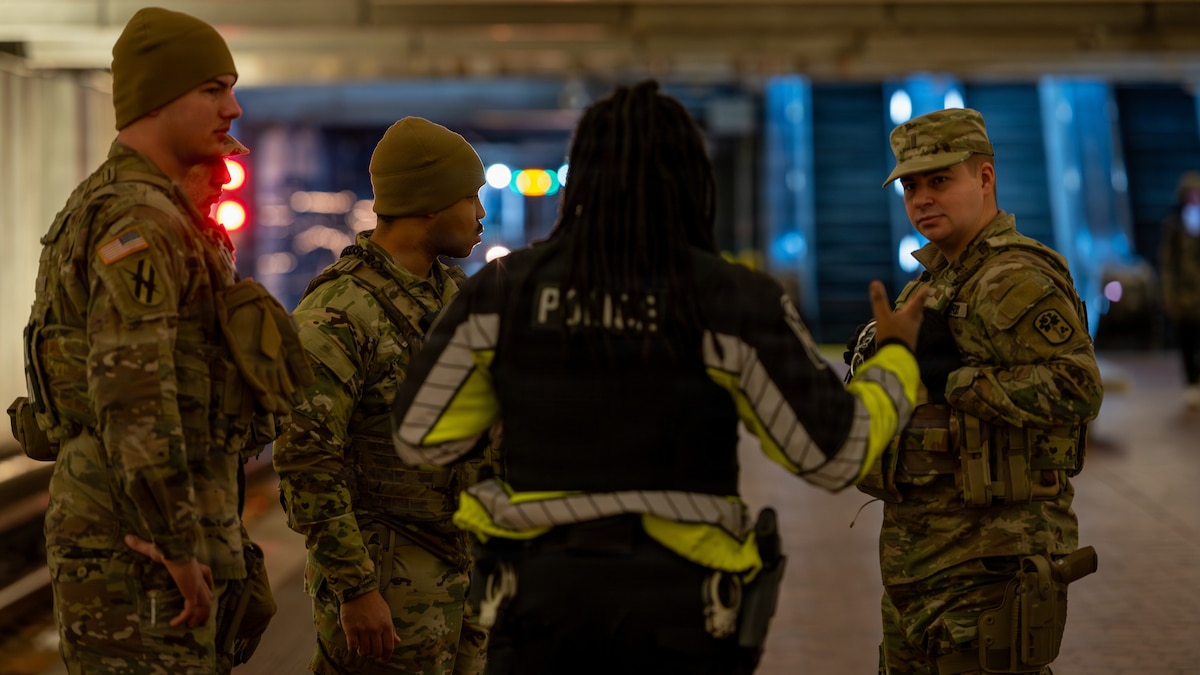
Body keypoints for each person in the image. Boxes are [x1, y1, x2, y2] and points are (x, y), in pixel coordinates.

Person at [389, 80, 930, 675]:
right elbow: (835, 454)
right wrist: (897, 361)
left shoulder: (503, 293)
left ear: (583, 180)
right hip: (685, 616)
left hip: (538, 606)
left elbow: (422, 434)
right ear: (692, 182)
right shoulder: (732, 299)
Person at [16, 6, 311, 674]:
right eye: (212, 89)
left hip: (140, 532)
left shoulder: (143, 208)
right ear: (155, 98)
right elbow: (134, 394)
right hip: (137, 547)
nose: (232, 108)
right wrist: (177, 545)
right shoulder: (139, 220)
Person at [851, 108, 1104, 674]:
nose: (921, 199)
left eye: (940, 180)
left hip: (988, 565)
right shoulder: (935, 281)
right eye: (911, 186)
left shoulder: (1014, 276)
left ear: (984, 178)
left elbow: (1078, 387)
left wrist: (952, 379)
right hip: (921, 567)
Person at [274, 116, 491, 675]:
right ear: (430, 203)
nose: (482, 214)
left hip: (460, 569)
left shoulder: (452, 298)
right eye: (471, 198)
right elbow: (306, 460)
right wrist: (355, 589)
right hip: (387, 583)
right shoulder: (339, 313)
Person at [1159, 170, 1200, 411]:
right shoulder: (1174, 224)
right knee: (1186, 339)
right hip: (1184, 294)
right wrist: (1169, 294)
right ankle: (1191, 381)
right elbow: (1168, 262)